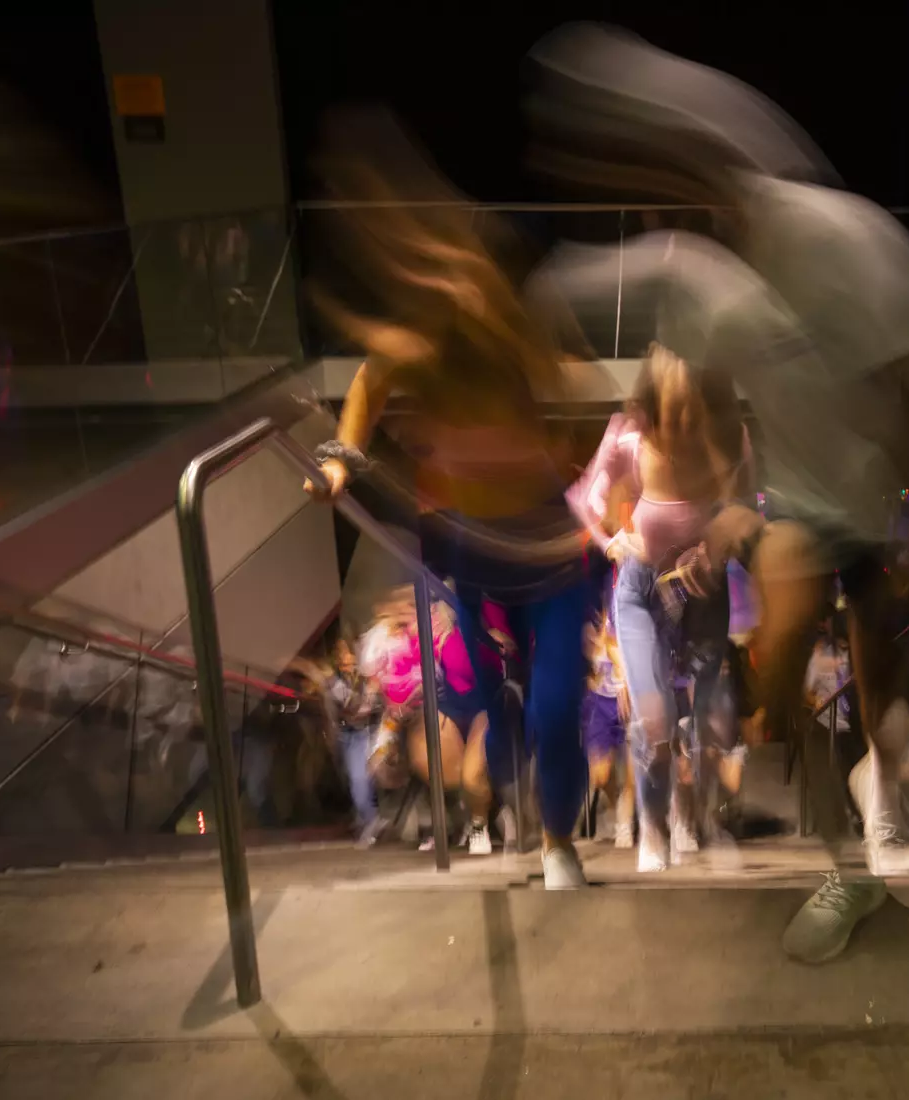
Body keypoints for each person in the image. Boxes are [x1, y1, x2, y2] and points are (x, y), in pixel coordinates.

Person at [527, 27, 909, 958]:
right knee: (778, 664)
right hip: (801, 508)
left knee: (882, 695)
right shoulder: (701, 281)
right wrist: (731, 508)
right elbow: (689, 375)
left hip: (873, 503)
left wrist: (908, 516)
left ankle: (883, 773)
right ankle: (849, 857)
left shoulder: (843, 241)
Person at [306, 113, 593, 887]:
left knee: (555, 706)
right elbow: (368, 385)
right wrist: (339, 462)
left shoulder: (517, 334)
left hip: (547, 553)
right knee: (492, 716)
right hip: (475, 557)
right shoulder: (419, 345)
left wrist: (565, 454)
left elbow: (571, 396)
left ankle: (558, 839)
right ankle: (511, 782)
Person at [568, 342, 752, 871]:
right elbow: (586, 497)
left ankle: (697, 817)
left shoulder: (728, 438)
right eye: (671, 404)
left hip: (704, 593)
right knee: (655, 722)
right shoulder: (628, 435)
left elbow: (746, 508)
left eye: (691, 402)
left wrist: (720, 542)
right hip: (642, 591)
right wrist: (611, 542)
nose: (680, 417)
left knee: (709, 723)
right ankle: (652, 824)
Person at [581, 599, 635, 849]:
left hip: (629, 702)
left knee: (633, 769)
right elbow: (587, 666)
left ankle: (625, 823)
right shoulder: (585, 628)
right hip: (599, 705)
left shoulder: (625, 619)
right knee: (600, 776)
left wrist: (627, 682)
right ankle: (616, 806)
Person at [322, 638, 385, 846]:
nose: (343, 658)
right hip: (345, 735)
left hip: (363, 733)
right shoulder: (335, 680)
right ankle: (365, 818)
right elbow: (333, 709)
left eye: (346, 653)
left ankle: (371, 820)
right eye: (339, 654)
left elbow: (360, 706)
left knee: (360, 780)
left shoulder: (364, 678)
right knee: (355, 780)